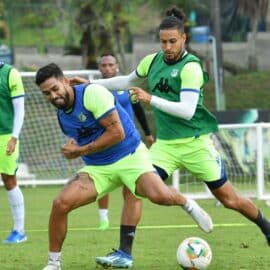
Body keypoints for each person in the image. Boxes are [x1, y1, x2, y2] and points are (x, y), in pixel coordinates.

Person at [87, 6, 270, 269]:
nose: (168, 46)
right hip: (165, 147)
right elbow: (126, 81)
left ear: (183, 38)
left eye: (173, 41)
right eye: (163, 41)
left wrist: (151, 98)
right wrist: (89, 85)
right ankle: (124, 254)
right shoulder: (152, 61)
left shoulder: (191, 67)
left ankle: (266, 227)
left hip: (196, 144)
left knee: (229, 199)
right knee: (134, 188)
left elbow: (186, 111)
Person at [35, 63, 213, 270]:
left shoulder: (92, 93)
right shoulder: (63, 117)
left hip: (130, 155)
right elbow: (80, 139)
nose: (52, 96)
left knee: (159, 196)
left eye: (55, 89)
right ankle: (53, 264)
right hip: (98, 168)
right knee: (60, 204)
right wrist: (73, 148)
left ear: (65, 81)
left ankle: (186, 203)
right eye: (46, 93)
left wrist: (80, 151)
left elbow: (117, 133)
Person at [96, 53, 154, 230]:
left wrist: (148, 134)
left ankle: (127, 217)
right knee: (102, 182)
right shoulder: (95, 89)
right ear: (100, 68)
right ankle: (103, 219)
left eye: (110, 65)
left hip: (129, 141)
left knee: (130, 182)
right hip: (105, 140)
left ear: (117, 67)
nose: (107, 68)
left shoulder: (127, 86)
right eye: (104, 65)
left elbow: (138, 110)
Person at [0, 62, 27, 244]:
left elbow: (19, 108)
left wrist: (14, 137)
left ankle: (19, 231)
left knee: (9, 179)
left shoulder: (10, 74)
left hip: (6, 135)